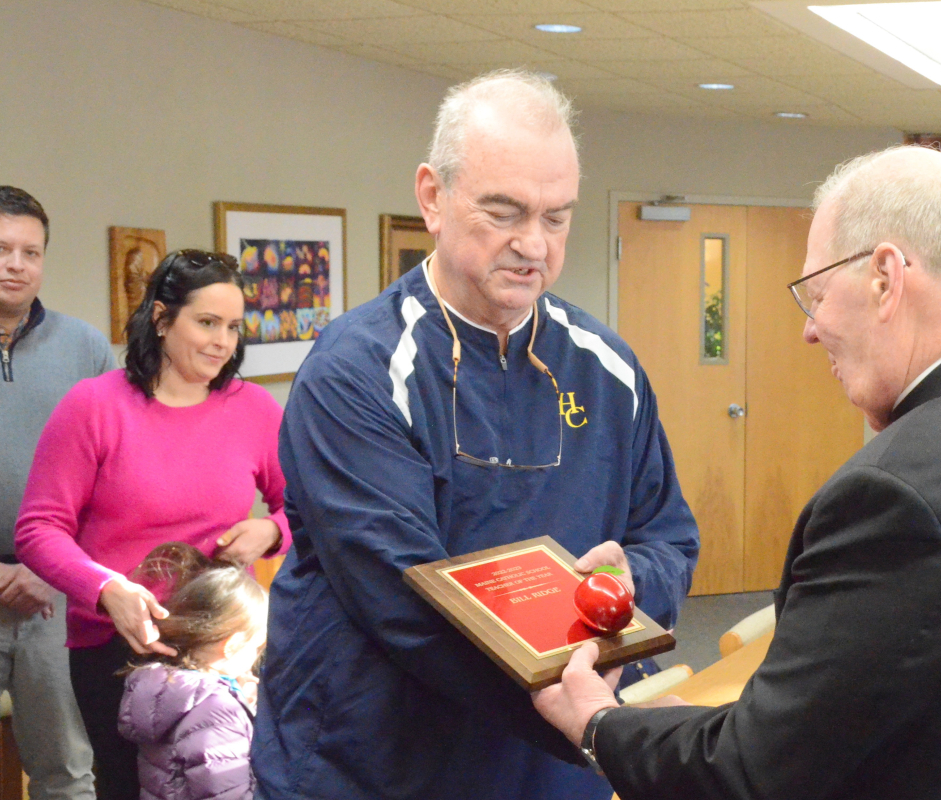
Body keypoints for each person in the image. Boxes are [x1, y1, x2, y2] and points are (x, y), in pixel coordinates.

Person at [534, 145, 941, 799]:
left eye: (816, 295)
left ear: (885, 278)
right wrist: (700, 733)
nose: (812, 331)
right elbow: (885, 718)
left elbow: (752, 777)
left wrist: (597, 725)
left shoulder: (897, 497)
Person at [252, 69, 700, 800]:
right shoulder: (355, 372)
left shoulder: (608, 368)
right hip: (375, 767)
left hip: (556, 772)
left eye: (557, 217)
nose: (533, 244)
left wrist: (625, 589)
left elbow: (668, 537)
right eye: (505, 212)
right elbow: (409, 606)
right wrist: (598, 727)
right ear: (432, 197)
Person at [15, 249, 291, 800]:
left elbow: (305, 509)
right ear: (162, 320)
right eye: (206, 323)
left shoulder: (255, 410)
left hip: (224, 646)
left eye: (234, 327)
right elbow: (38, 529)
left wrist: (272, 531)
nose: (222, 342)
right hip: (116, 650)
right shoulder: (94, 405)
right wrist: (105, 588)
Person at [0, 185, 111, 800]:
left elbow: (114, 480)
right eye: (3, 249)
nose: (17, 265)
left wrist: (51, 571)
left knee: (67, 773)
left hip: (54, 599)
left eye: (30, 252)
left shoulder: (85, 348)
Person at [117, 543, 266, 800]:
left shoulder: (165, 691)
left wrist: (241, 697)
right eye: (256, 646)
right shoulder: (218, 710)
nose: (256, 657)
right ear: (232, 646)